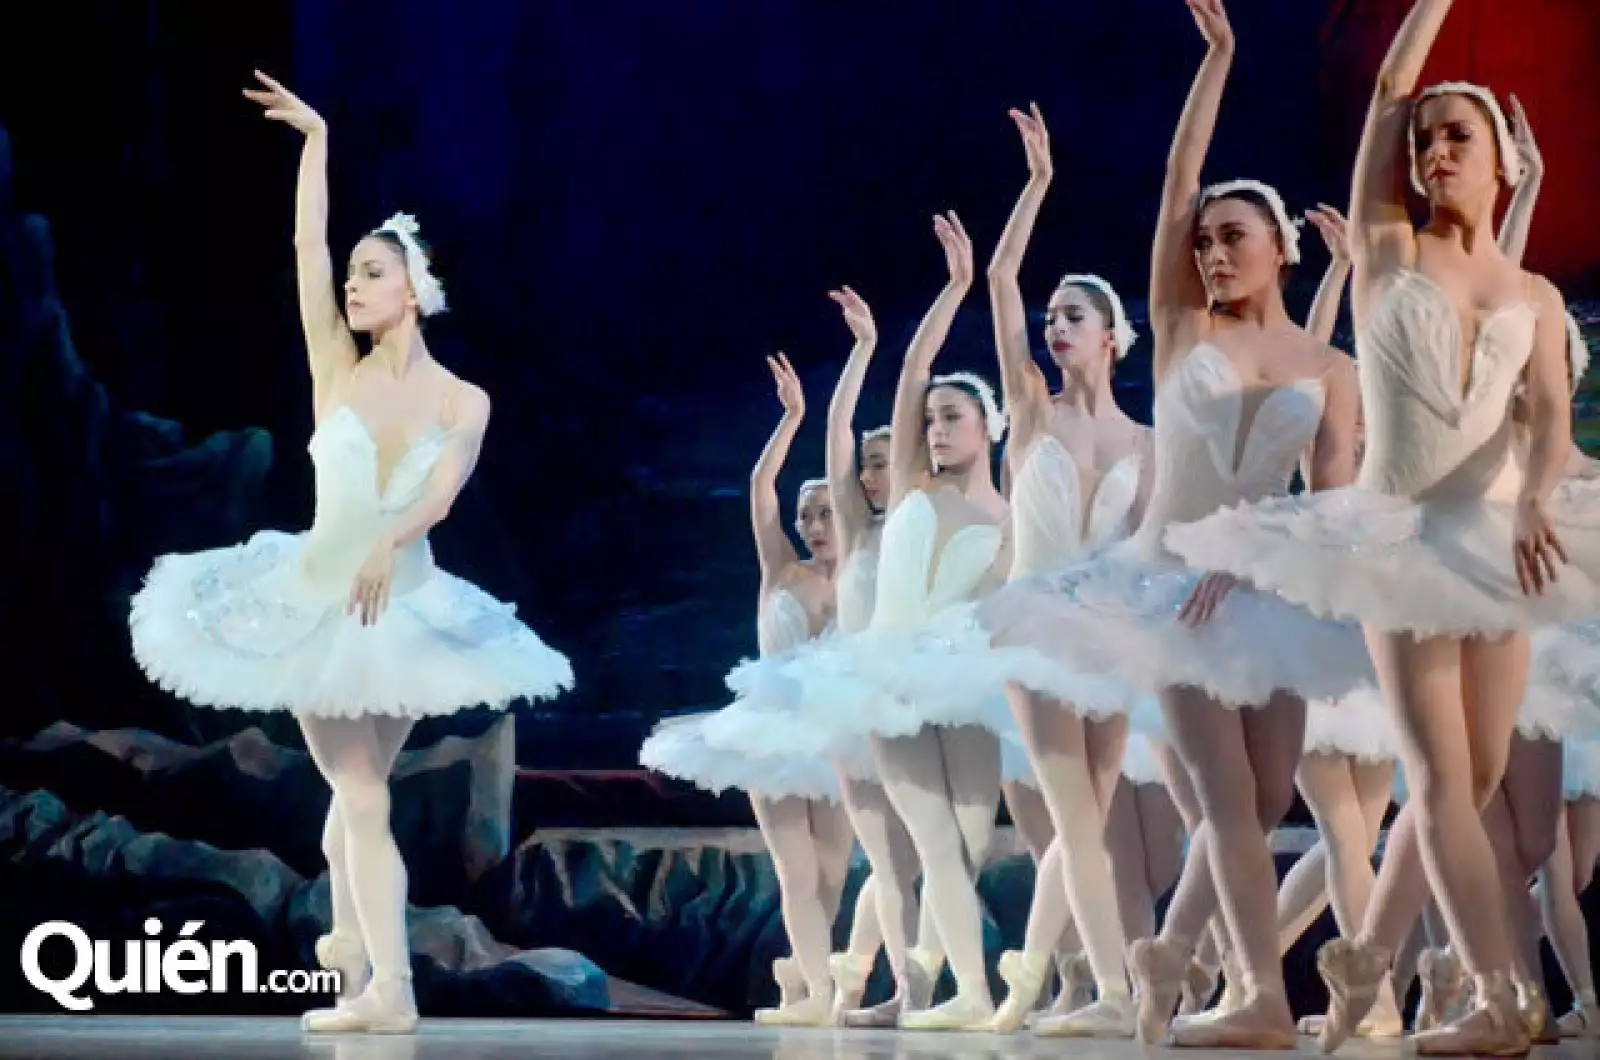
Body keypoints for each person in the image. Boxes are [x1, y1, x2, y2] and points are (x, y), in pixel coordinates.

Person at [1164, 0, 1595, 1051]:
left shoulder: (1533, 292)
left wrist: (1537, 493)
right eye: (1423, 139)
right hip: (1399, 541)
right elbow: (1390, 92)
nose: (1434, 148)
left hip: (1498, 545)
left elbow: (1545, 419)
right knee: (1443, 778)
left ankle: (1362, 954)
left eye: (1458, 135)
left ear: (1499, 159)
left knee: (1481, 781)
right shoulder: (1387, 246)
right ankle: (1502, 993)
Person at [128, 72, 574, 1034]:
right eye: (353, 274)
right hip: (320, 601)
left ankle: (356, 953)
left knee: (357, 793)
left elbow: (447, 486)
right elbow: (303, 243)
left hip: (404, 606)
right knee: (359, 789)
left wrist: (393, 539)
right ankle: (385, 986)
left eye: (372, 273)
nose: (354, 284)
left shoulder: (464, 400)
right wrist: (318, 138)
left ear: (415, 286)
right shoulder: (333, 362)